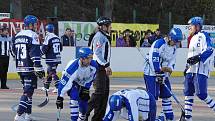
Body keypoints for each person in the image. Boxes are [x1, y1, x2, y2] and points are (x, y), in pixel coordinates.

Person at [143, 27, 183, 121]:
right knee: (153, 97)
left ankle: (168, 117)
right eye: (175, 41)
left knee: (167, 95)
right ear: (169, 37)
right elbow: (154, 59)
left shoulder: (174, 48)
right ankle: (150, 118)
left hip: (163, 75)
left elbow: (172, 61)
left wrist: (169, 71)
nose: (176, 43)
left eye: (177, 41)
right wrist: (158, 72)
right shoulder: (158, 44)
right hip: (151, 73)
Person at [13, 15, 45, 121]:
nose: (36, 26)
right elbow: (34, 53)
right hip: (29, 67)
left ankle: (28, 115)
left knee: (28, 91)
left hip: (20, 67)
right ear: (29, 25)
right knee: (28, 92)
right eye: (34, 24)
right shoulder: (33, 35)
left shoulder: (17, 35)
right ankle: (18, 115)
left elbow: (13, 51)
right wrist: (38, 66)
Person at [183, 17, 215, 121]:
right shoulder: (191, 38)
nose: (189, 28)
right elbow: (191, 55)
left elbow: (210, 49)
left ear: (197, 26)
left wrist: (199, 57)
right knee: (188, 93)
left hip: (200, 71)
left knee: (202, 94)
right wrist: (186, 67)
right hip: (190, 71)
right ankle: (188, 118)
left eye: (191, 26)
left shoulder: (204, 35)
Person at [56, 47, 97, 121]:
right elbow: (64, 82)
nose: (90, 60)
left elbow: (91, 78)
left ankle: (82, 116)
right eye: (88, 58)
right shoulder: (72, 67)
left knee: (84, 105)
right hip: (73, 82)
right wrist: (60, 97)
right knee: (74, 98)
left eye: (91, 58)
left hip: (84, 84)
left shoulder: (94, 65)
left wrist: (86, 88)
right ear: (82, 58)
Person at [85, 16, 112, 121]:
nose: (111, 28)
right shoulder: (99, 36)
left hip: (102, 67)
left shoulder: (104, 36)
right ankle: (84, 113)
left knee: (104, 93)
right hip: (98, 68)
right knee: (99, 92)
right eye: (109, 26)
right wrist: (106, 65)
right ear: (104, 26)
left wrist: (106, 65)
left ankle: (98, 118)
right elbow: (96, 54)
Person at [40, 24, 62, 93]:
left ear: (46, 30)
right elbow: (61, 48)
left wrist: (40, 54)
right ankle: (46, 87)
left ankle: (58, 87)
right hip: (57, 57)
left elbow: (45, 47)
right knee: (49, 71)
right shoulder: (57, 37)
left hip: (51, 58)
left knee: (52, 72)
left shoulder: (48, 37)